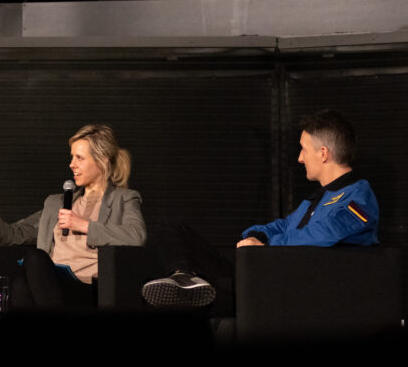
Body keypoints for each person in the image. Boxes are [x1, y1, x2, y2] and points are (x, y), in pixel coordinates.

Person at [142, 109, 379, 309]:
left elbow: (324, 233)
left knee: (216, 292)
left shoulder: (357, 196)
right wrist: (258, 235)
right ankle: (182, 276)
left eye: (303, 149)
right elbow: (285, 224)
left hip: (284, 286)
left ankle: (200, 291)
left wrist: (267, 247)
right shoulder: (318, 198)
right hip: (263, 270)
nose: (299, 158)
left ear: (323, 153)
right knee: (173, 229)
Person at [0, 124, 146, 308]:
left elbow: (136, 235)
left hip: (90, 290)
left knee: (33, 261)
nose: (72, 165)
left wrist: (84, 225)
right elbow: (13, 234)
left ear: (101, 161)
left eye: (79, 158)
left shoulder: (124, 199)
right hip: (53, 287)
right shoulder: (56, 203)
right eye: (71, 158)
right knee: (23, 281)